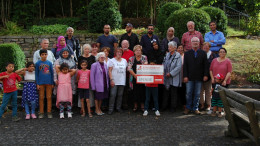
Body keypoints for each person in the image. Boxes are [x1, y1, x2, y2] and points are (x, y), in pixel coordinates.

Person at [183, 37, 209, 115]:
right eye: (193, 41)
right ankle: (188, 108)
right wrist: (185, 76)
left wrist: (205, 75)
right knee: (189, 93)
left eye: (197, 41)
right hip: (189, 77)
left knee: (197, 93)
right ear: (191, 43)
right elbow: (185, 66)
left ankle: (195, 108)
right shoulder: (187, 53)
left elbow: (206, 66)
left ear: (199, 43)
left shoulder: (203, 53)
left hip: (199, 77)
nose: (195, 43)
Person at [162, 41, 182, 112]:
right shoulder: (167, 54)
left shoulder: (178, 55)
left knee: (174, 93)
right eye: (168, 47)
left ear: (175, 48)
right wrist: (162, 70)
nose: (169, 48)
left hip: (174, 77)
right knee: (166, 93)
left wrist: (170, 73)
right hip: (166, 77)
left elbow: (179, 67)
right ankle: (165, 106)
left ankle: (173, 107)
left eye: (170, 47)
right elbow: (163, 63)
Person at [108, 48, 128, 115]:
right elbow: (109, 71)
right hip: (114, 80)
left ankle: (118, 108)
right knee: (113, 95)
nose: (119, 53)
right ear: (115, 53)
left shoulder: (124, 61)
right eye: (117, 52)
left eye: (120, 52)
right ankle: (111, 109)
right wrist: (111, 80)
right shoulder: (111, 60)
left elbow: (127, 69)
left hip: (122, 81)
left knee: (120, 95)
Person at [35, 49, 54, 119]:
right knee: (41, 97)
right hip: (41, 83)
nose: (44, 56)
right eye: (42, 54)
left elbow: (52, 73)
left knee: (49, 97)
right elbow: (36, 74)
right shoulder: (37, 63)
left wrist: (52, 83)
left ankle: (49, 112)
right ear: (40, 55)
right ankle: (41, 112)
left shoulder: (49, 63)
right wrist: (37, 83)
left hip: (49, 82)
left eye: (45, 54)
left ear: (47, 55)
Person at [128, 45, 148, 112]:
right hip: (134, 77)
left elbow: (146, 65)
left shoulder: (144, 57)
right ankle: (135, 106)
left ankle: (142, 106)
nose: (138, 51)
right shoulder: (131, 58)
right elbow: (129, 68)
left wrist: (145, 65)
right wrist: (134, 75)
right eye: (136, 50)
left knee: (142, 91)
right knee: (134, 92)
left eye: (139, 50)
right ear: (134, 52)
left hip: (142, 78)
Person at [200, 42, 217, 111]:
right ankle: (202, 104)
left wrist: (208, 75)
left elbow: (214, 65)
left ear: (209, 47)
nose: (205, 47)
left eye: (207, 46)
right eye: (204, 46)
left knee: (208, 90)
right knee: (201, 91)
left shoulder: (213, 55)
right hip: (200, 76)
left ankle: (208, 104)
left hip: (209, 76)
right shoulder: (200, 54)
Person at [121, 40, 134, 110]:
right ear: (121, 45)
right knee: (121, 90)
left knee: (127, 89)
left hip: (129, 74)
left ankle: (126, 104)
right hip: (120, 75)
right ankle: (121, 104)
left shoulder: (131, 52)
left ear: (128, 45)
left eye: (126, 44)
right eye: (123, 44)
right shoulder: (119, 52)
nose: (125, 45)